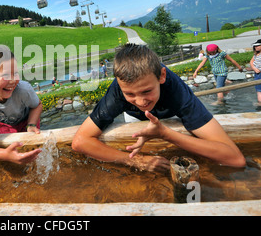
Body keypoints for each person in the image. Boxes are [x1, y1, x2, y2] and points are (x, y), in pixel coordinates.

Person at [72, 44, 246, 172]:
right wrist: (136, 161)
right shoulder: (117, 92)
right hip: (136, 120)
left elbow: (235, 159)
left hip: (170, 117)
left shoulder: (177, 91)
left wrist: (165, 133)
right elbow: (80, 142)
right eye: (130, 94)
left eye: (146, 91)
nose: (140, 102)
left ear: (162, 76)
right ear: (119, 85)